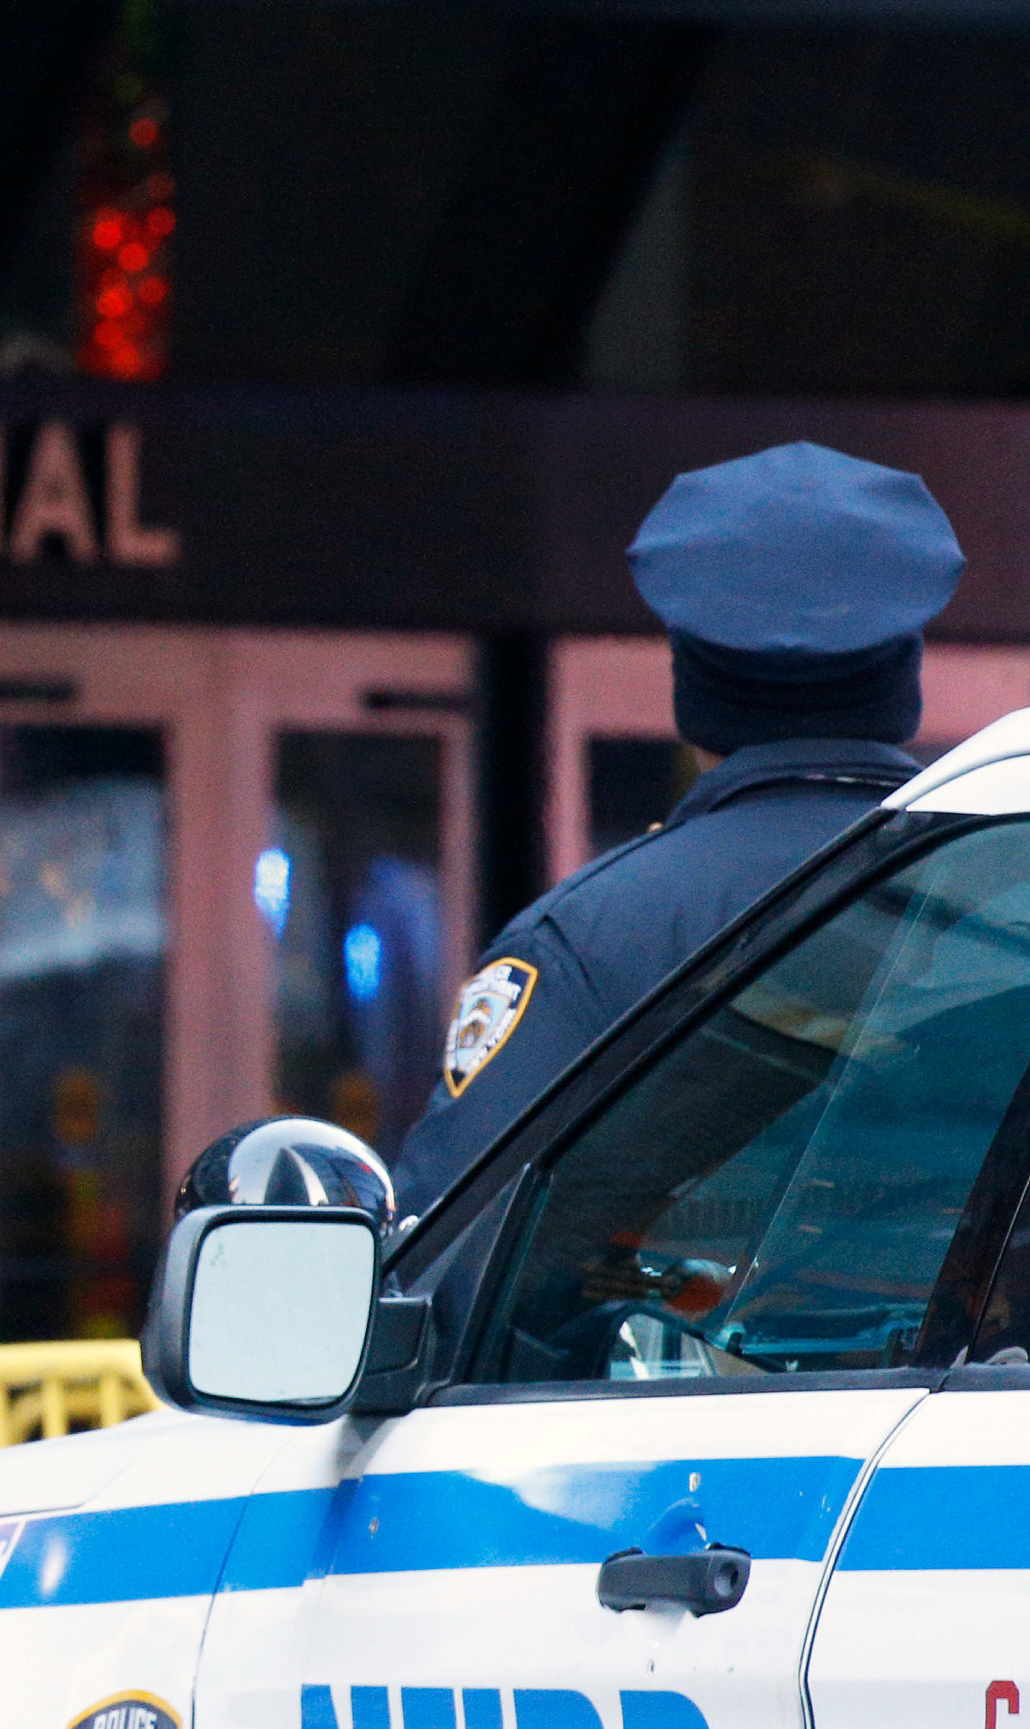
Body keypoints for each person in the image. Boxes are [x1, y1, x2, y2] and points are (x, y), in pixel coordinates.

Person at [393, 440, 963, 1213]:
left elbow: (459, 1256)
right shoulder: (1006, 888)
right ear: (905, 676)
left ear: (690, 689)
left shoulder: (585, 942)